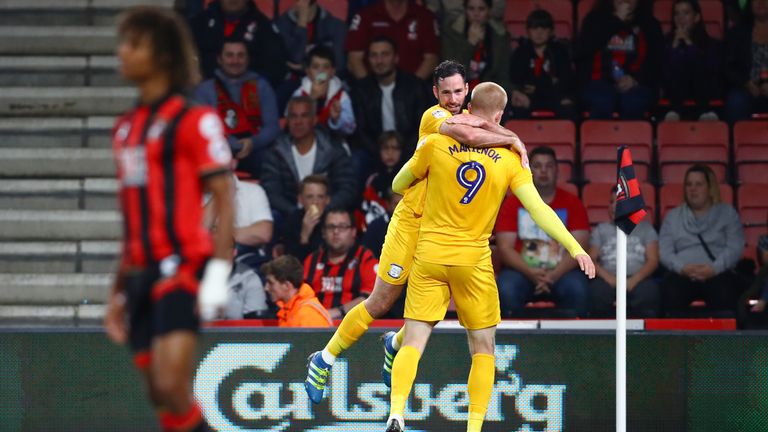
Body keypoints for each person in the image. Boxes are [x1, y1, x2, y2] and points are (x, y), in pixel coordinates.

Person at [303, 60, 528, 405]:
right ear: (435, 92)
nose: (452, 98)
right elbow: (467, 134)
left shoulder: (477, 119)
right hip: (410, 224)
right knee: (380, 302)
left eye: (458, 91)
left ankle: (394, 344)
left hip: (445, 234)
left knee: (430, 313)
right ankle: (324, 359)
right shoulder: (436, 118)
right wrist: (513, 138)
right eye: (446, 92)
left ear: (468, 89)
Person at [383, 82, 595, 432]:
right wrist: (575, 247)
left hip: (430, 254)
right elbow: (539, 209)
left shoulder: (436, 142)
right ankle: (474, 427)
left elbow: (398, 183)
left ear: (467, 107)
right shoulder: (511, 159)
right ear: (498, 116)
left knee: (415, 338)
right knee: (483, 348)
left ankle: (396, 413)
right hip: (473, 260)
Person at [103, 7, 234, 431]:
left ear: (161, 55)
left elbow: (223, 195)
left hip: (180, 268)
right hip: (140, 271)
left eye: (134, 44)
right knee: (160, 393)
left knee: (169, 382)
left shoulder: (193, 120)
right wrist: (117, 289)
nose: (122, 52)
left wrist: (216, 273)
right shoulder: (124, 128)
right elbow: (131, 217)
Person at [495, 146, 591, 317]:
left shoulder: (572, 202)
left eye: (549, 166)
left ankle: (575, 342)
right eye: (537, 166)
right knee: (506, 287)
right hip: (521, 271)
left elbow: (581, 245)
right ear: (529, 170)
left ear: (557, 170)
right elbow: (505, 248)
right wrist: (532, 273)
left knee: (579, 288)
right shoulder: (512, 203)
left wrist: (553, 275)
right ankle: (512, 341)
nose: (543, 171)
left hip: (562, 272)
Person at [660, 164, 746, 316]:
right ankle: (674, 339)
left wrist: (713, 269)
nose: (693, 189)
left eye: (698, 184)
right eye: (689, 184)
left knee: (726, 292)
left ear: (710, 188)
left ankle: (723, 339)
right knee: (670, 291)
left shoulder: (727, 214)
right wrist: (683, 268)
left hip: (718, 273)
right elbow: (665, 252)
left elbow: (735, 248)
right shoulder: (672, 217)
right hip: (682, 274)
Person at [194, 38, 280, 179]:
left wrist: (252, 143)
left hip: (255, 150)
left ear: (248, 59)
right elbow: (202, 129)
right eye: (229, 55)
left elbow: (272, 127)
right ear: (219, 59)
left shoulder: (262, 87)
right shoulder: (204, 90)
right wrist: (233, 145)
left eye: (240, 55)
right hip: (217, 150)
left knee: (271, 161)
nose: (235, 61)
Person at [260, 95, 356, 216]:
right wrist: (296, 214)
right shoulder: (276, 151)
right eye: (293, 116)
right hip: (290, 214)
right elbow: (271, 191)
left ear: (314, 119)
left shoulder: (333, 148)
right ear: (287, 120)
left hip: (327, 213)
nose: (298, 122)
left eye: (304, 116)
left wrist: (324, 210)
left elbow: (347, 188)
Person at [350, 36, 430, 179]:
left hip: (409, 150)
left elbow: (422, 127)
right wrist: (382, 152)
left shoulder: (414, 86)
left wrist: (401, 152)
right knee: (356, 161)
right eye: (374, 55)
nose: (379, 61)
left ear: (396, 58)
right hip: (374, 151)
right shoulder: (361, 89)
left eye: (385, 54)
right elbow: (360, 131)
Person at [576, 0, 664, 119]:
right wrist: (616, 20)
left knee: (633, 102)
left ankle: (632, 137)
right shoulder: (594, 20)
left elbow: (657, 62)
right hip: (598, 81)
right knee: (603, 100)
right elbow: (582, 51)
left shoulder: (650, 24)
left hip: (636, 83)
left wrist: (636, 79)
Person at [589, 186, 660, 317]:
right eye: (611, 202)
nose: (614, 206)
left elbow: (653, 260)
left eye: (619, 202)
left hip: (638, 278)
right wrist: (610, 279)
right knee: (597, 293)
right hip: (607, 278)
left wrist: (633, 280)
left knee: (650, 293)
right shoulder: (600, 230)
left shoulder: (646, 229)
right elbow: (591, 259)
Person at [189, 0, 287, 87]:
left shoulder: (263, 26)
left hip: (249, 93)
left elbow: (276, 69)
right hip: (205, 90)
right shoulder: (200, 22)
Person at [304, 208, 379, 320]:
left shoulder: (365, 258)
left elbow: (372, 298)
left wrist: (337, 312)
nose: (336, 232)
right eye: (331, 227)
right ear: (323, 233)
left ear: (353, 232)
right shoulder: (312, 260)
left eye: (342, 227)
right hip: (314, 324)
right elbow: (301, 297)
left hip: (354, 326)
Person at [346, 0, 440, 81]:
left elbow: (431, 59)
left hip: (416, 91)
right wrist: (370, 89)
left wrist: (412, 89)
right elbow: (354, 59)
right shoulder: (364, 16)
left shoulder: (425, 17)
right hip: (371, 91)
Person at [661, 0, 723, 121]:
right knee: (679, 68)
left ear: (697, 17)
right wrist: (674, 48)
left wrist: (689, 45)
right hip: (673, 91)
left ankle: (704, 111)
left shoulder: (710, 43)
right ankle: (675, 111)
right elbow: (664, 73)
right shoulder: (665, 43)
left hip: (703, 91)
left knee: (696, 68)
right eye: (677, 14)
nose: (681, 18)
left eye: (686, 13)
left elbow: (709, 70)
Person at [509, 9, 576, 119]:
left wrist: (537, 87)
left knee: (568, 107)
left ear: (551, 31)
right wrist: (549, 82)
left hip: (555, 96)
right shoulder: (521, 52)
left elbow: (566, 81)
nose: (539, 33)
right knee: (518, 105)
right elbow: (518, 80)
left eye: (544, 28)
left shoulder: (560, 52)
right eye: (535, 28)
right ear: (528, 31)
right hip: (529, 97)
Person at [441, 0, 511, 92]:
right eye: (471, 9)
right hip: (457, 92)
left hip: (489, 93)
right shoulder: (452, 33)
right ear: (465, 10)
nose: (476, 14)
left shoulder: (499, 36)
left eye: (481, 9)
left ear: (489, 11)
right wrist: (470, 44)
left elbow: (503, 74)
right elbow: (450, 71)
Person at [290, 45, 356, 137]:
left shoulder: (341, 96)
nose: (321, 72)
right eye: (316, 67)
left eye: (325, 67)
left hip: (333, 145)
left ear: (332, 72)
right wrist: (311, 99)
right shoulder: (299, 94)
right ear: (308, 72)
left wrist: (336, 120)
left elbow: (350, 129)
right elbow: (291, 126)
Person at [276, 0, 348, 79]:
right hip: (294, 84)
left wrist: (306, 70)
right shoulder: (282, 25)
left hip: (328, 82)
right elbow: (296, 59)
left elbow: (340, 68)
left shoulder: (336, 26)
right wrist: (302, 22)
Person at [724, 0, 768, 122]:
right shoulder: (736, 33)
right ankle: (735, 140)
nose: (761, 2)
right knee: (736, 102)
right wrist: (746, 83)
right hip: (745, 87)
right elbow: (727, 67)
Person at [261, 255, 333, 327]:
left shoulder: (308, 314)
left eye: (271, 283)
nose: (266, 288)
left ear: (287, 285)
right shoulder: (288, 311)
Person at [281, 175, 332, 260]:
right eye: (309, 197)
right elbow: (292, 263)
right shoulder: (292, 221)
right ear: (300, 199)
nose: (315, 202)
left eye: (320, 197)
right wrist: (304, 236)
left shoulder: (335, 220)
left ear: (327, 200)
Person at [360, 131, 404, 229]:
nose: (390, 153)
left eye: (395, 148)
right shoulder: (371, 177)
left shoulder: (408, 176)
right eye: (386, 148)